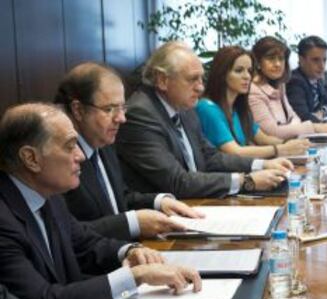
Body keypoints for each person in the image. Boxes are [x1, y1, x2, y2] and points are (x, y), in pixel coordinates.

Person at [0, 103, 201, 299]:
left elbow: (85, 244)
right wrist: (135, 277)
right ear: (31, 158)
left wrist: (130, 251)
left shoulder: (47, 194)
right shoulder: (4, 220)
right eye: (70, 146)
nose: (81, 156)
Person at [116, 41, 294, 199]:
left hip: (197, 203)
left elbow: (210, 157)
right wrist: (245, 181)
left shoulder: (185, 107)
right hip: (162, 219)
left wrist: (262, 164)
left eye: (201, 78)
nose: (200, 88)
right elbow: (178, 181)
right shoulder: (140, 114)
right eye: (193, 79)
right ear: (162, 80)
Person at [54, 62, 203, 241]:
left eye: (122, 108)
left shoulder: (104, 142)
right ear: (78, 110)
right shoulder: (61, 160)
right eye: (109, 109)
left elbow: (119, 199)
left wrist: (159, 202)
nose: (121, 118)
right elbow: (68, 232)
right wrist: (132, 222)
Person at [196, 45, 311, 159]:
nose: (247, 76)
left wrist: (293, 145)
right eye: (239, 70)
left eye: (249, 71)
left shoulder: (237, 107)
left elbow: (263, 139)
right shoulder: (207, 108)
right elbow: (234, 152)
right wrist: (281, 149)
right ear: (222, 73)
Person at [249, 36, 327, 139]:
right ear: (258, 62)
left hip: (290, 142)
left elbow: (294, 117)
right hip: (271, 149)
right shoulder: (254, 91)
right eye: (271, 58)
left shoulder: (280, 85)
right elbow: (272, 132)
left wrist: (289, 128)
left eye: (281, 58)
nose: (277, 64)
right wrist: (313, 127)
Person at [286, 35, 327, 122]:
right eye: (315, 60)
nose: (322, 66)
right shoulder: (295, 82)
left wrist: (322, 112)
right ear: (301, 60)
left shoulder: (316, 79)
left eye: (324, 60)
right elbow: (303, 117)